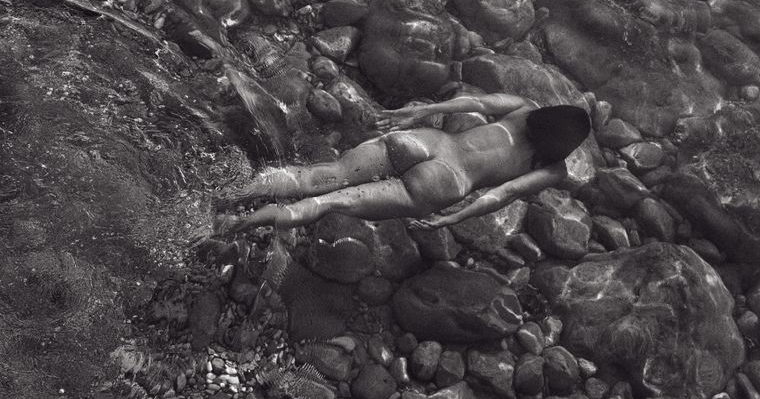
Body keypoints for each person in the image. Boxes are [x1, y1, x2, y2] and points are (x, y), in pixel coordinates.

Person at [212, 93, 591, 234]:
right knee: (330, 202)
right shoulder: (552, 169)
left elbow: (472, 103)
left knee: (321, 177)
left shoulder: (524, 108)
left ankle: (231, 193)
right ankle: (235, 224)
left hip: (425, 143)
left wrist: (421, 112)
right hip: (445, 181)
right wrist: (454, 218)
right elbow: (504, 194)